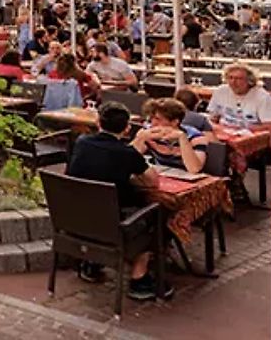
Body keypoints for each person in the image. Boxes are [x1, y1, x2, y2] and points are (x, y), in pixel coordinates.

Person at [66, 102, 169, 301]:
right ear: (127, 128)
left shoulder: (82, 142)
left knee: (107, 206)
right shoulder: (126, 153)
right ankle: (139, 278)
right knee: (158, 214)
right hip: (114, 223)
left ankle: (92, 263)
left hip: (76, 217)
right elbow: (153, 182)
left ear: (98, 122)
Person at [133, 98, 208, 173]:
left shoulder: (196, 137)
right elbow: (127, 159)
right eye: (151, 118)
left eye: (158, 119)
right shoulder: (147, 131)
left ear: (174, 122)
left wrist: (182, 139)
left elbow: (194, 169)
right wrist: (141, 138)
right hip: (161, 175)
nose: (153, 123)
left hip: (186, 177)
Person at [207, 63, 271, 133]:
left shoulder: (263, 97)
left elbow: (270, 128)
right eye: (230, 78)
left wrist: (240, 130)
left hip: (250, 137)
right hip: (222, 135)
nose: (233, 82)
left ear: (249, 81)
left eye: (239, 79)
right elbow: (212, 119)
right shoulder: (220, 91)